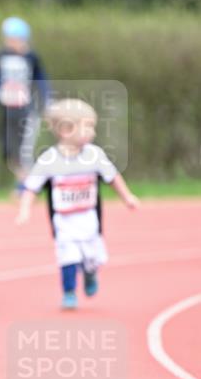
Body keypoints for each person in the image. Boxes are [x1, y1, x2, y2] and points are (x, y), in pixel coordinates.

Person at [16, 98, 139, 309]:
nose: (93, 132)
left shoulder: (95, 155)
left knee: (92, 257)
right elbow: (31, 187)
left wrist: (127, 197)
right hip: (63, 221)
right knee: (68, 257)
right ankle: (69, 292)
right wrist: (24, 211)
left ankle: (90, 273)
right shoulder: (49, 160)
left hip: (89, 219)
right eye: (88, 127)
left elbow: (112, 177)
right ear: (65, 130)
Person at [0, 16, 50, 191]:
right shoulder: (2, 56)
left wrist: (46, 103)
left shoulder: (32, 57)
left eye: (12, 38)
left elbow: (42, 82)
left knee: (25, 149)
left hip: (27, 110)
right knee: (8, 151)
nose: (9, 42)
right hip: (7, 110)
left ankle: (25, 187)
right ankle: (26, 182)